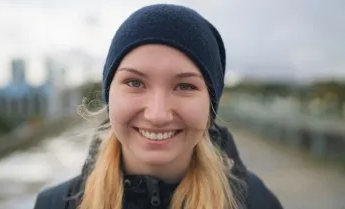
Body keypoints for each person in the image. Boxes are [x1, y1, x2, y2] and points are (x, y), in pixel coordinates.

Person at [33, 4, 284, 209]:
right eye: (134, 82)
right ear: (109, 96)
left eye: (185, 86)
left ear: (210, 106)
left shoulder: (256, 202)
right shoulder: (54, 204)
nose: (157, 115)